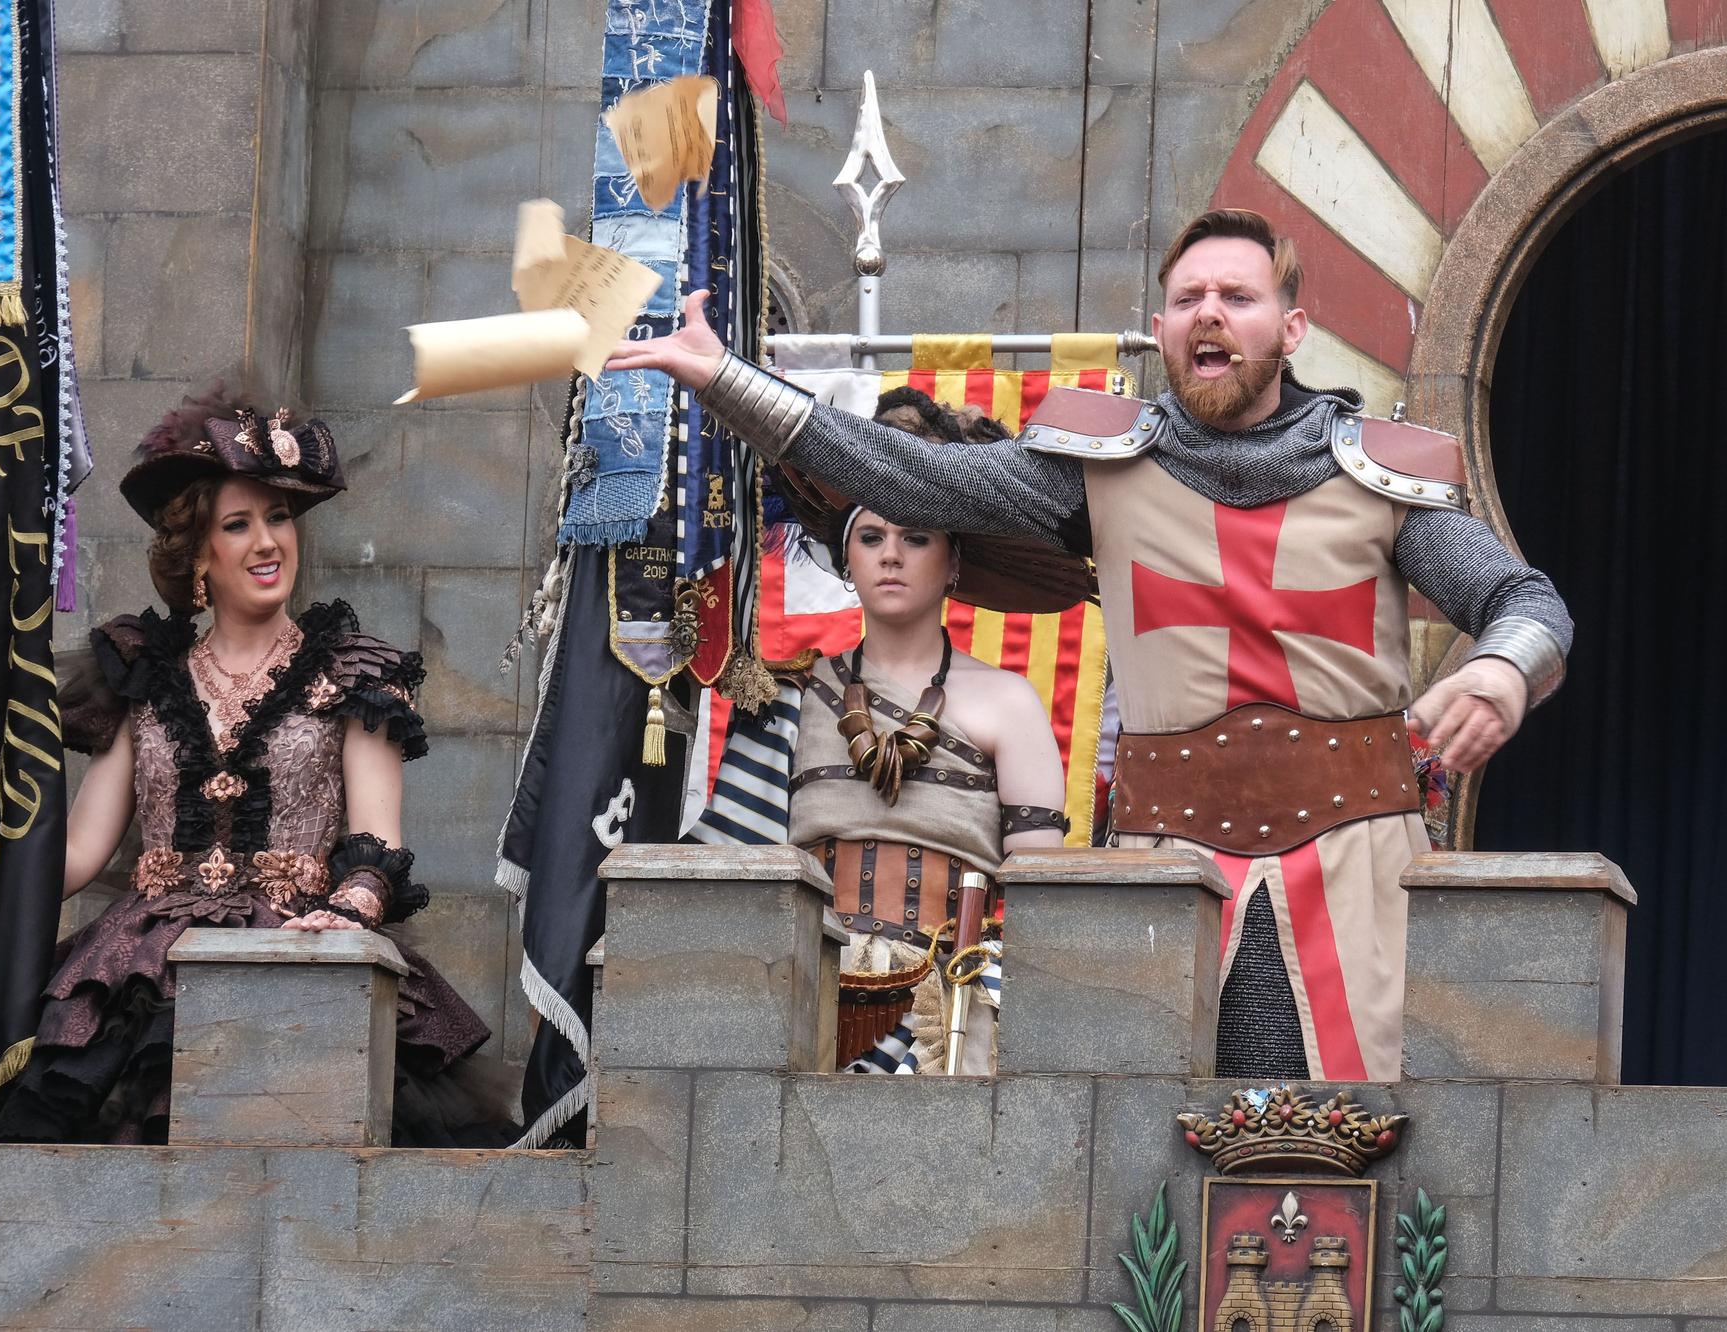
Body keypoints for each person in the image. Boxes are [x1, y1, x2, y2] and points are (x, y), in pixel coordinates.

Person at [611, 208, 1573, 1083]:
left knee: (1361, 1153)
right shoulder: (1096, 472)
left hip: (1358, 874)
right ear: (1159, 332)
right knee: (1140, 1168)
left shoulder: (1379, 475)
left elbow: (1524, 600)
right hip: (1162, 873)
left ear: (1291, 329)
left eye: (1237, 297)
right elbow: (908, 479)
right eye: (1186, 298)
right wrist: (725, 380)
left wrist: (1500, 668)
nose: (1209, 314)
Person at [0, 387, 514, 1146]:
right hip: (137, 969)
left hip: (299, 948)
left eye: (278, 517)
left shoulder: (354, 672)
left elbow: (378, 851)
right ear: (197, 554)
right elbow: (75, 853)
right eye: (239, 524)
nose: (268, 541)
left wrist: (346, 911)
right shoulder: (143, 675)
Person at [695, 388, 1069, 1073]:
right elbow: (734, 876)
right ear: (847, 560)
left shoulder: (1010, 704)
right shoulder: (786, 696)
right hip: (797, 1001)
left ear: (954, 561)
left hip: (951, 1020)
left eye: (916, 536)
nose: (891, 555)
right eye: (871, 537)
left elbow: (1043, 901)